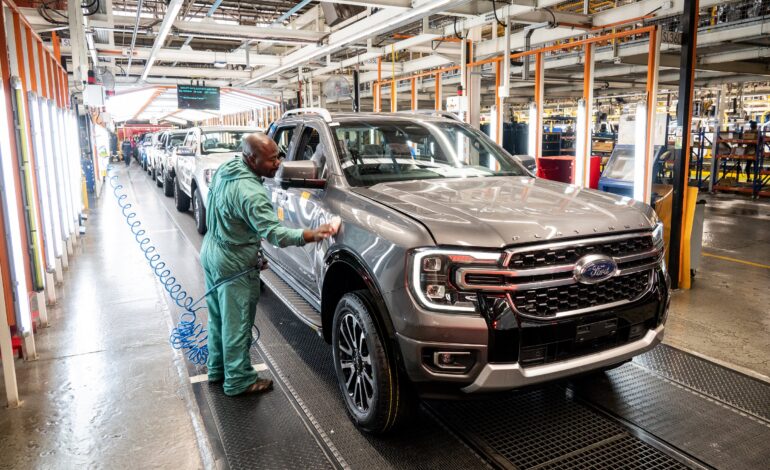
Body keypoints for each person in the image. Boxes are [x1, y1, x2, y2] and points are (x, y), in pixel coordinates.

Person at [200, 132, 335, 396]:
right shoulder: (251, 193)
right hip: (233, 262)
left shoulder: (228, 168)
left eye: (279, 156)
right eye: (272, 160)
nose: (278, 164)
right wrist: (313, 233)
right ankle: (239, 380)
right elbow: (276, 234)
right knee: (237, 324)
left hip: (212, 251)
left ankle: (217, 369)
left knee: (218, 317)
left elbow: (233, 218)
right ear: (251, 159)